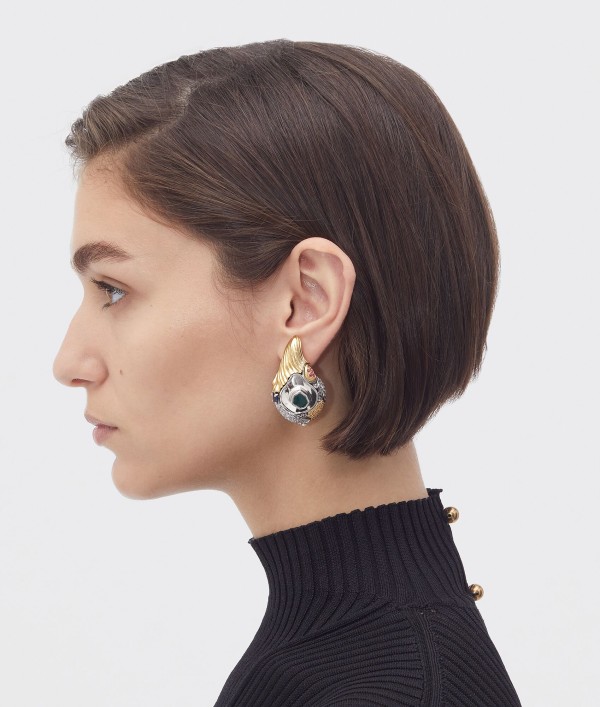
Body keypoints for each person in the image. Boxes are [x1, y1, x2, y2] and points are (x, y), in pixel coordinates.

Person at [52, 39, 522, 706]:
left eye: (114, 289)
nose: (69, 362)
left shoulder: (383, 686)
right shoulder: (352, 658)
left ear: (306, 302)